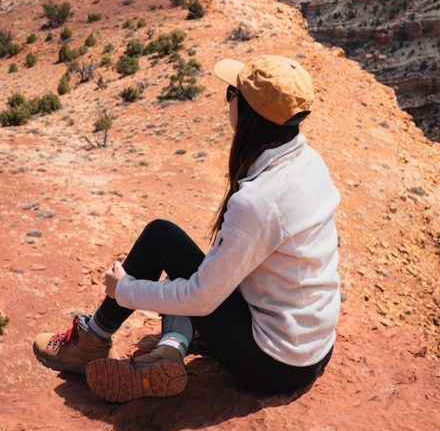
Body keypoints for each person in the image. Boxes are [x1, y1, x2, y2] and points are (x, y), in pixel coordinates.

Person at [32, 54, 341, 403]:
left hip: (273, 364)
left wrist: (125, 289)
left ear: (250, 115)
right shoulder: (308, 161)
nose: (229, 101)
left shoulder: (258, 201)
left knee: (162, 242)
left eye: (231, 93)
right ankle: (172, 345)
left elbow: (202, 296)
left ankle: (94, 341)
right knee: (176, 251)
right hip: (312, 347)